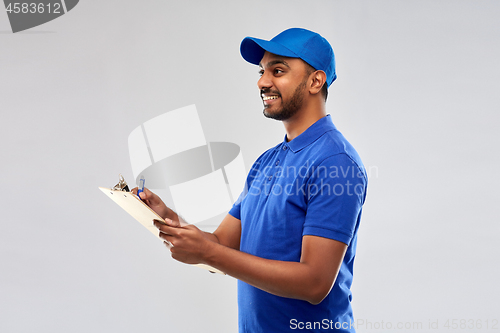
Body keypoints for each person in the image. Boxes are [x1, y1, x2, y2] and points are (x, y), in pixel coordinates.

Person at [135, 28, 367, 332]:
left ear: (315, 81)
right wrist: (169, 218)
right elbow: (222, 244)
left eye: (278, 70)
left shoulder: (336, 163)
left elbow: (315, 283)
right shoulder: (266, 162)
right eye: (261, 71)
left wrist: (208, 252)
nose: (262, 81)